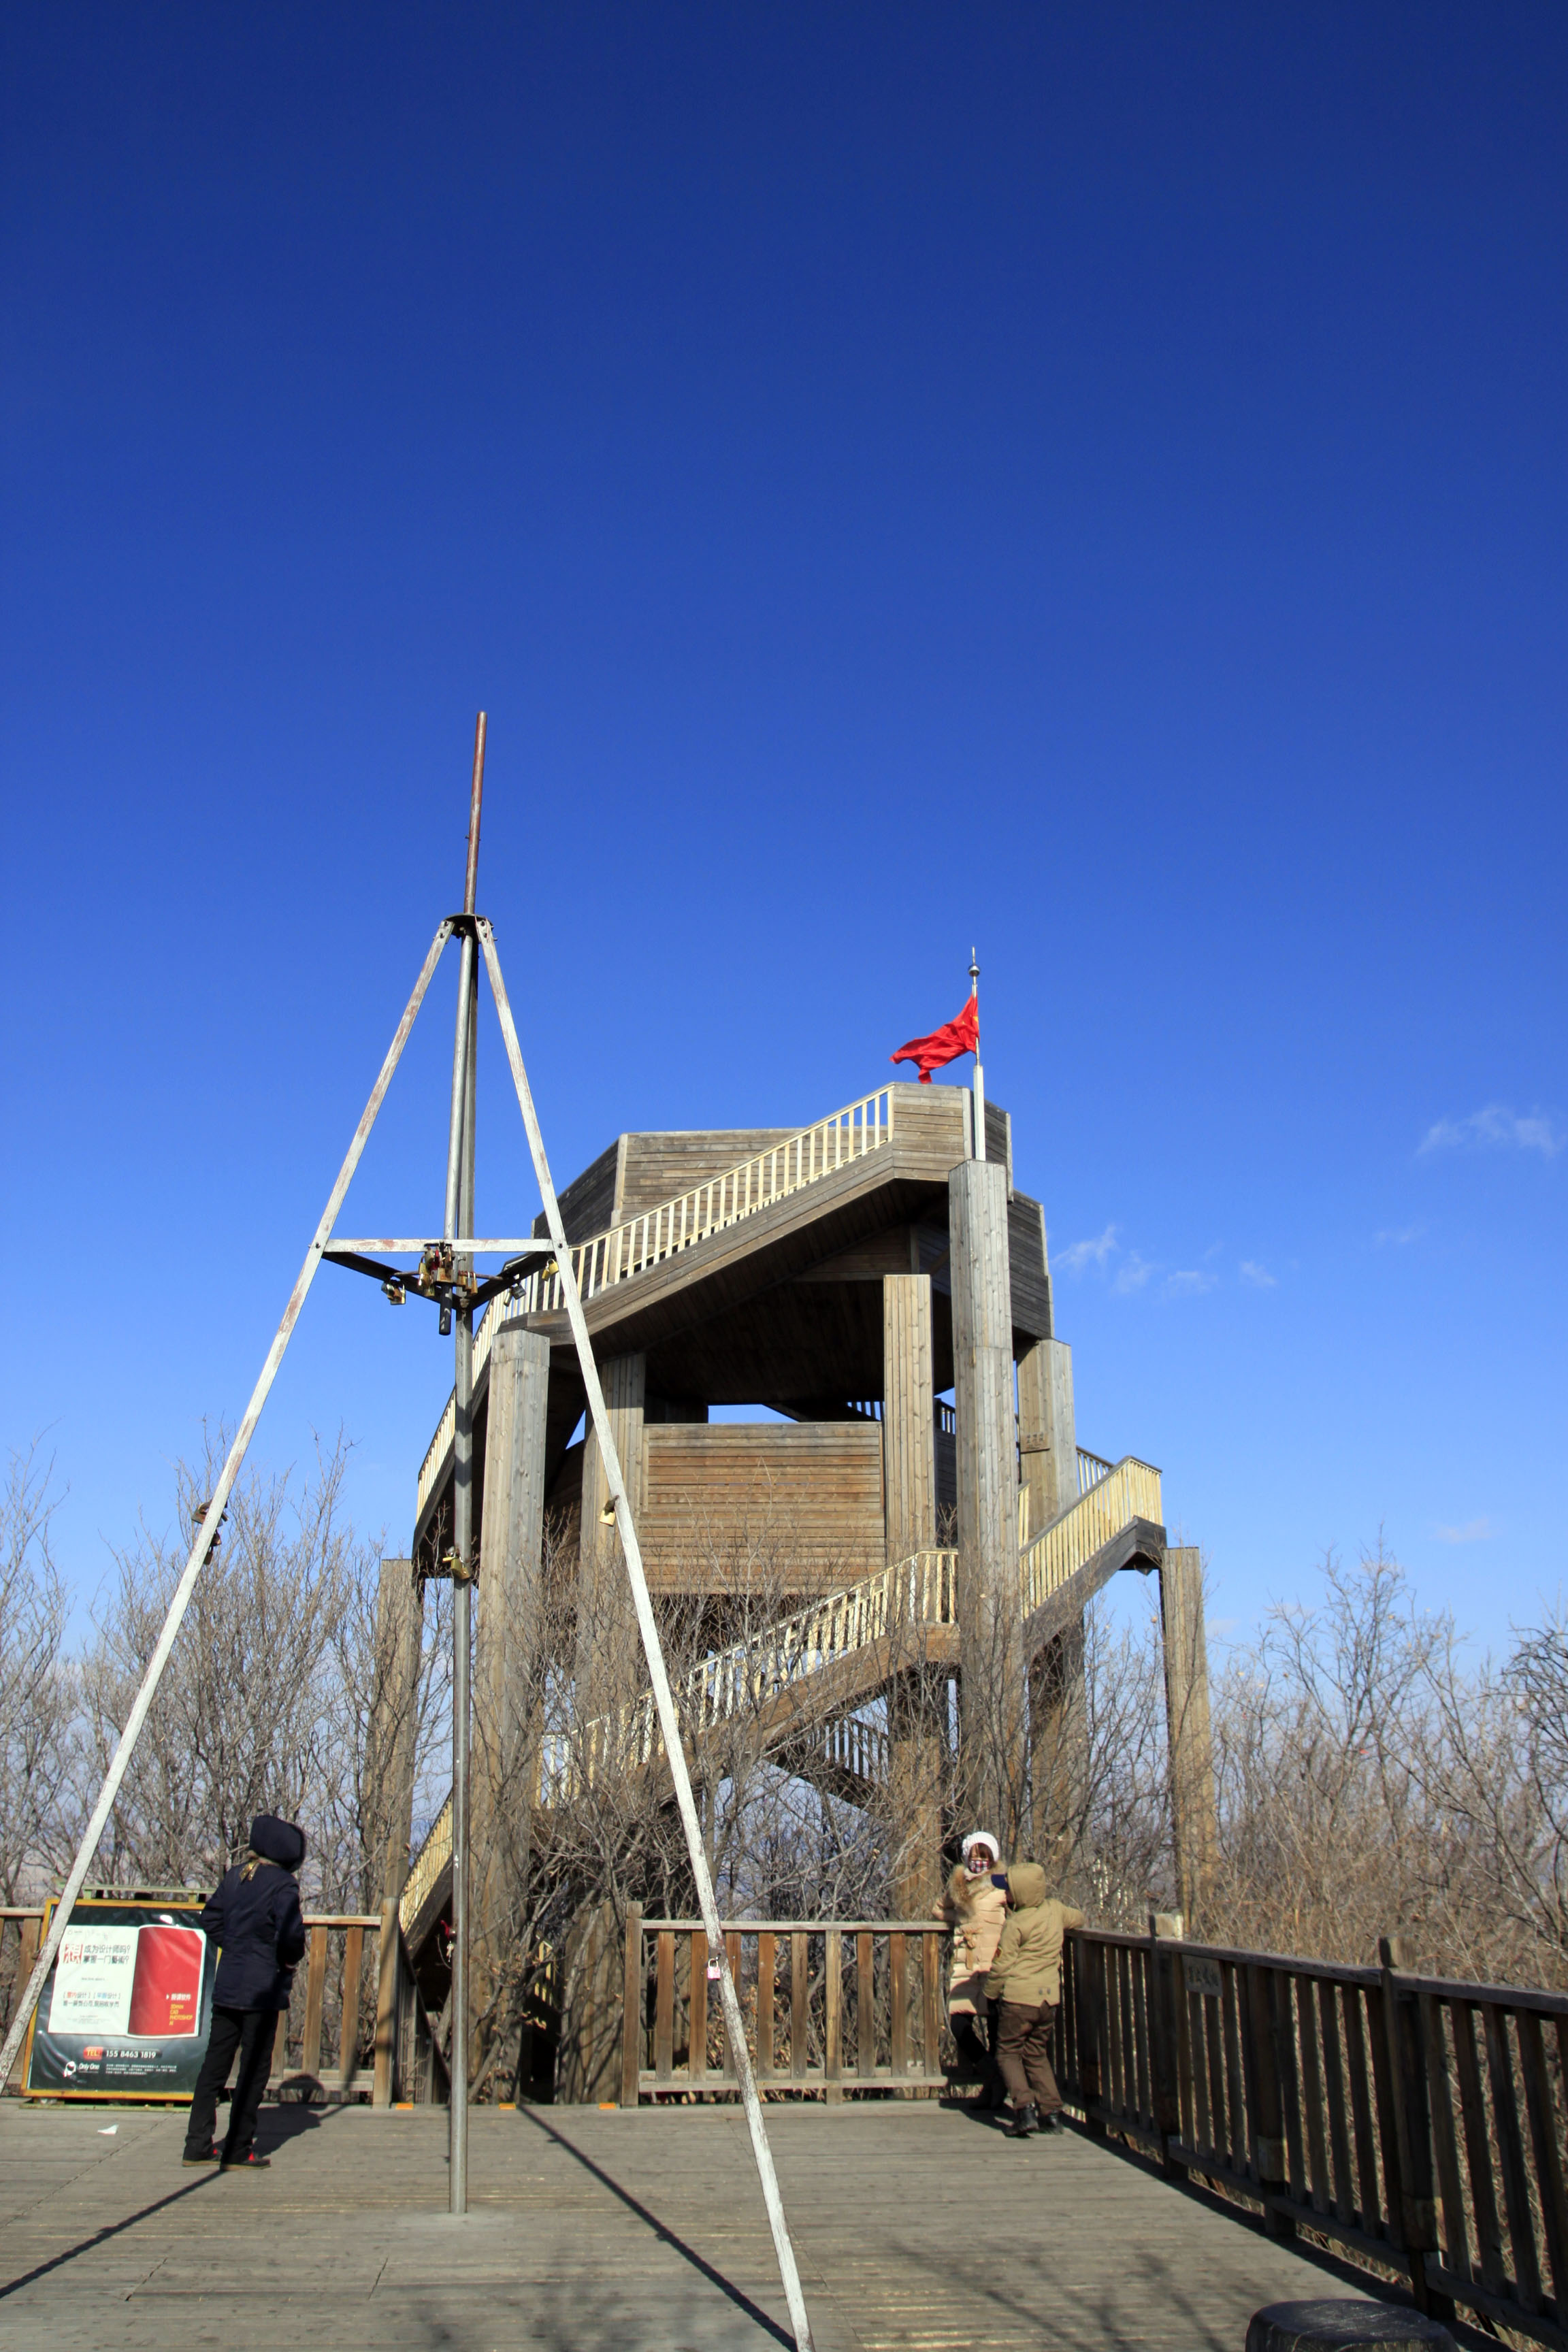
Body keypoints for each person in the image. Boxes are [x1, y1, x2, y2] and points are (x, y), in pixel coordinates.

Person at [182, 1812, 308, 2171]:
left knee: (215, 2065)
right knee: (252, 2069)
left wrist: (236, 1946)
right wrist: (284, 1959)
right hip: (262, 1989)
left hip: (228, 1985)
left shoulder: (235, 1877)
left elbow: (211, 1920)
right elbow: (290, 1936)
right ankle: (238, 2149)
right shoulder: (283, 1885)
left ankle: (197, 2144)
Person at [983, 1860, 1084, 2139]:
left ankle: (1024, 2108)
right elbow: (1079, 1918)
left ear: (1022, 1894)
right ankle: (1051, 2113)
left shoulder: (1016, 1924)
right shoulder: (1055, 1912)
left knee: (1008, 2053)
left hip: (1018, 2000)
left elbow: (1001, 1965)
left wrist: (989, 1994)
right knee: (1036, 2053)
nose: (1006, 1894)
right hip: (1048, 2002)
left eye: (1010, 1890)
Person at [937, 1829, 1009, 2098]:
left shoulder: (1002, 1883)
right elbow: (938, 1908)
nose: (979, 1860)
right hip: (965, 1965)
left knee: (995, 2028)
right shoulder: (958, 1886)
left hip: (993, 1965)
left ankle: (993, 2092)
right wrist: (959, 1915)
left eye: (984, 1855)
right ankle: (992, 2074)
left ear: (992, 1858)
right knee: (959, 2025)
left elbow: (1019, 1906)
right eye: (975, 1855)